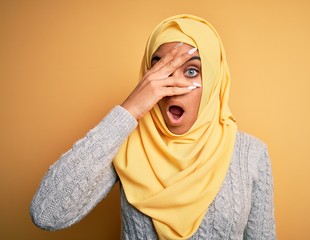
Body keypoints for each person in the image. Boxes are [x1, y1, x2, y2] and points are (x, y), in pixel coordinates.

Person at [30, 14, 276, 240]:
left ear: (213, 80)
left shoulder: (250, 154)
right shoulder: (128, 144)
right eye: (159, 69)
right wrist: (129, 110)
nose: (172, 84)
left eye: (192, 71)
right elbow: (46, 213)